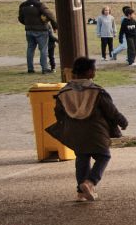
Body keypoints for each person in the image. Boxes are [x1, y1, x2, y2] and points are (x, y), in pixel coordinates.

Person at [48, 58, 128, 203]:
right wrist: (122, 121)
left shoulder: (64, 92)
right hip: (96, 130)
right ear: (90, 72)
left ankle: (80, 193)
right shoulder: (97, 91)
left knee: (82, 158)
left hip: (75, 131)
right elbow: (111, 110)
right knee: (103, 156)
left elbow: (58, 113)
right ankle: (90, 182)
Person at [18, 0, 56, 74]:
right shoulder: (40, 5)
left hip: (29, 30)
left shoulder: (23, 5)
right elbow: (51, 15)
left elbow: (20, 18)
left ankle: (30, 69)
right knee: (43, 50)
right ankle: (45, 68)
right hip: (41, 30)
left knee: (30, 49)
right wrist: (55, 26)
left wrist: (27, 24)